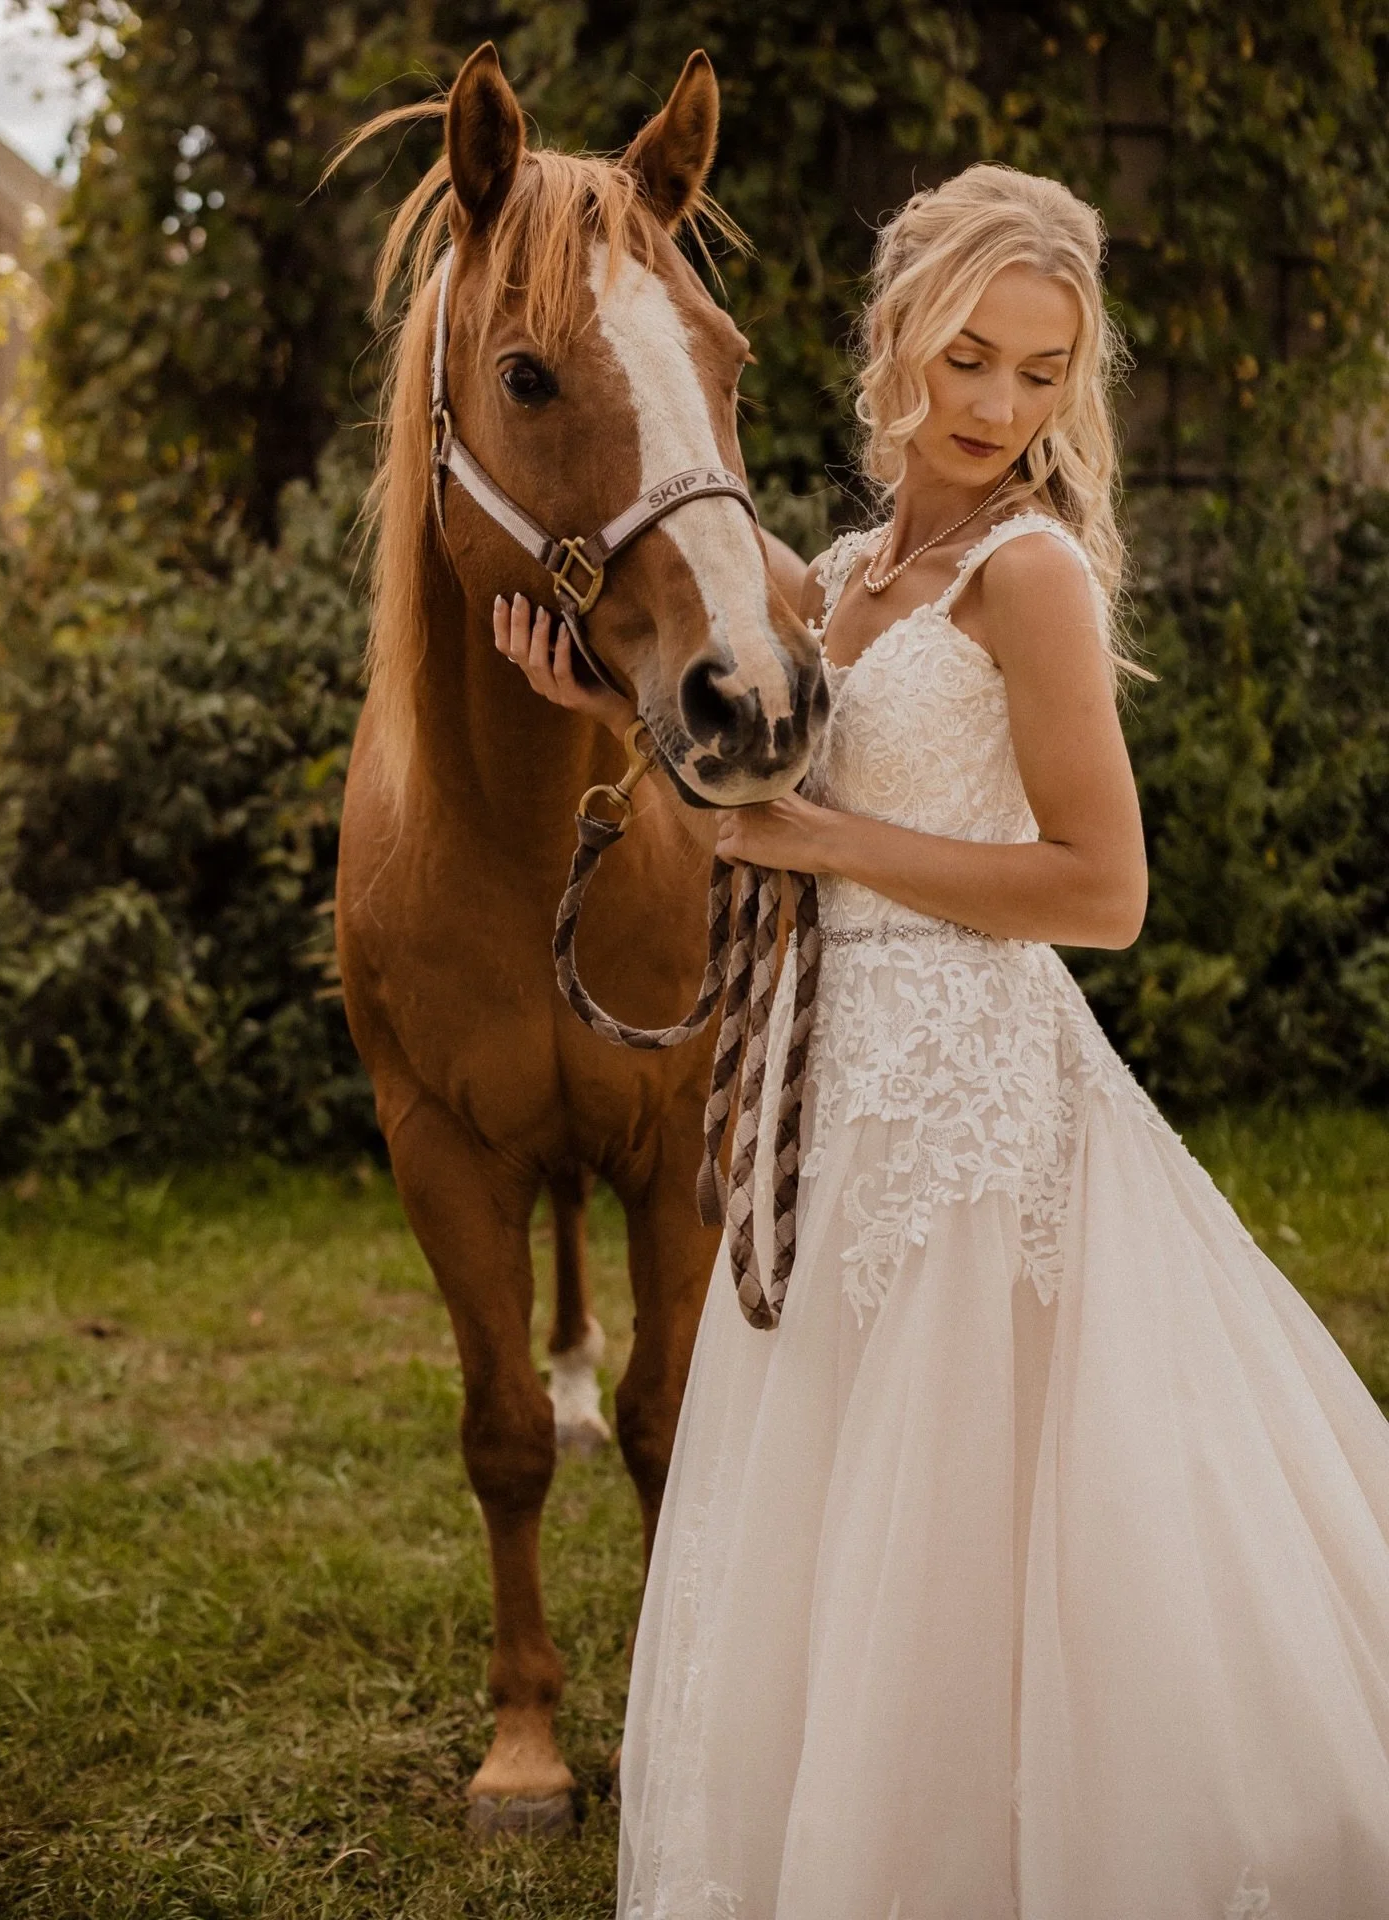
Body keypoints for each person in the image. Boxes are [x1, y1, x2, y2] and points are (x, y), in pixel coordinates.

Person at [494, 164, 1389, 1919]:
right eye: (970, 356)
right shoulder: (838, 576)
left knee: (975, 1501)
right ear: (896, 334)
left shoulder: (1025, 575)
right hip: (830, 1095)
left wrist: (823, 841)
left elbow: (1103, 891)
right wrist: (605, 707)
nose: (996, 406)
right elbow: (749, 819)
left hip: (972, 1102)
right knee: (839, 1509)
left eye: (1041, 373)